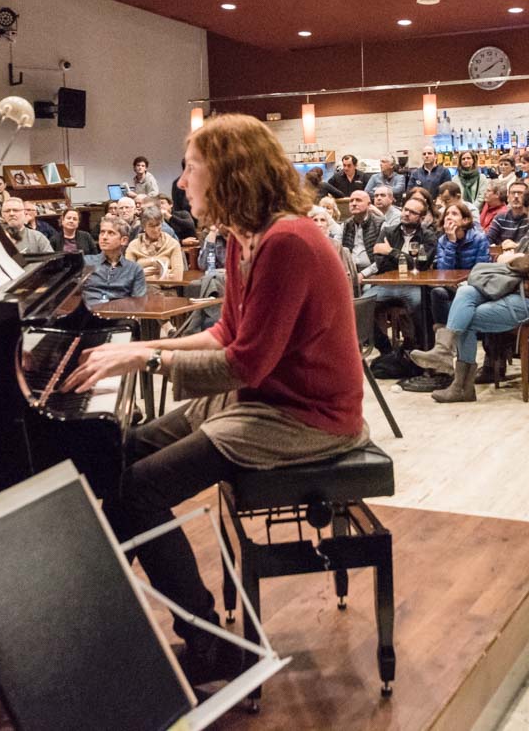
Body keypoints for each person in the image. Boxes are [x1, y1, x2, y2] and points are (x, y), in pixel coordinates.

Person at [62, 113, 369, 688]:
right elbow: (227, 332)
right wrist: (143, 347)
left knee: (138, 490)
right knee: (118, 452)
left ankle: (209, 644)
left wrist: (148, 359)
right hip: (264, 400)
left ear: (229, 171)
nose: (181, 182)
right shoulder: (243, 237)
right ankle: (84, 618)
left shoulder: (288, 242)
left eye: (190, 167)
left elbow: (245, 361)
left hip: (308, 417)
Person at [410, 194, 529, 402]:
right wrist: (516, 259)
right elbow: (506, 261)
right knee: (465, 292)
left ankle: (460, 384)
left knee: (464, 318)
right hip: (511, 292)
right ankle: (444, 353)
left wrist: (514, 258)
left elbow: (524, 264)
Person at [367, 192, 437, 343]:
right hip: (387, 285)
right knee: (363, 305)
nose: (406, 214)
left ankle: (416, 344)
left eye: (412, 212)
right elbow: (381, 263)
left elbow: (421, 265)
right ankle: (384, 347)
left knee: (420, 304)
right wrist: (406, 260)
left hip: (413, 285)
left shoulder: (428, 236)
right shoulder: (388, 232)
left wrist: (391, 252)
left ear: (421, 218)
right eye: (405, 209)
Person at [81, 215, 147, 306]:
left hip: (119, 312)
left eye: (111, 233)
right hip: (89, 312)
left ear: (124, 240)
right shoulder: (86, 262)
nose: (104, 237)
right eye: (102, 232)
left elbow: (138, 303)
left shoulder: (134, 269)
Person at [126, 203, 186, 281]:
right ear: (144, 227)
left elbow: (177, 277)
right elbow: (127, 276)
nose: (155, 229)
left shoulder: (173, 244)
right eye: (151, 226)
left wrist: (141, 275)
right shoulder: (133, 245)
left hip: (166, 287)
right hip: (140, 288)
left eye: (158, 225)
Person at [338, 188, 384, 274]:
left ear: (369, 205)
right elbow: (337, 250)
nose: (354, 204)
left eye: (358, 200)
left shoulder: (380, 224)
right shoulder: (345, 225)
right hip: (349, 272)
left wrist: (363, 274)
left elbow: (383, 258)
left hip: (374, 274)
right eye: (351, 201)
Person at [487, 181, 529, 248]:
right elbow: (488, 240)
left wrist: (515, 246)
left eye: (520, 193)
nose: (516, 196)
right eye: (513, 193)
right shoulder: (500, 218)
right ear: (508, 197)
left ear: (527, 197)